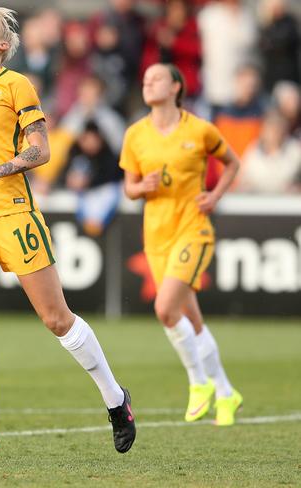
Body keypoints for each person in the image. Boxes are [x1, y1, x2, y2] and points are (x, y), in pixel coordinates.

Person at [0, 7, 135, 457]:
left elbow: (40, 150)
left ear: (4, 43)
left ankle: (115, 399)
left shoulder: (15, 84)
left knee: (56, 319)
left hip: (12, 212)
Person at [120, 63, 243, 426]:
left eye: (157, 78)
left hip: (193, 230)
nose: (148, 82)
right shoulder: (135, 135)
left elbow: (232, 163)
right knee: (192, 320)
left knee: (164, 309)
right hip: (157, 236)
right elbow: (130, 188)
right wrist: (143, 188)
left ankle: (198, 382)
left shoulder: (200, 129)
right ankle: (226, 392)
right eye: (145, 79)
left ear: (176, 86)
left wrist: (215, 195)